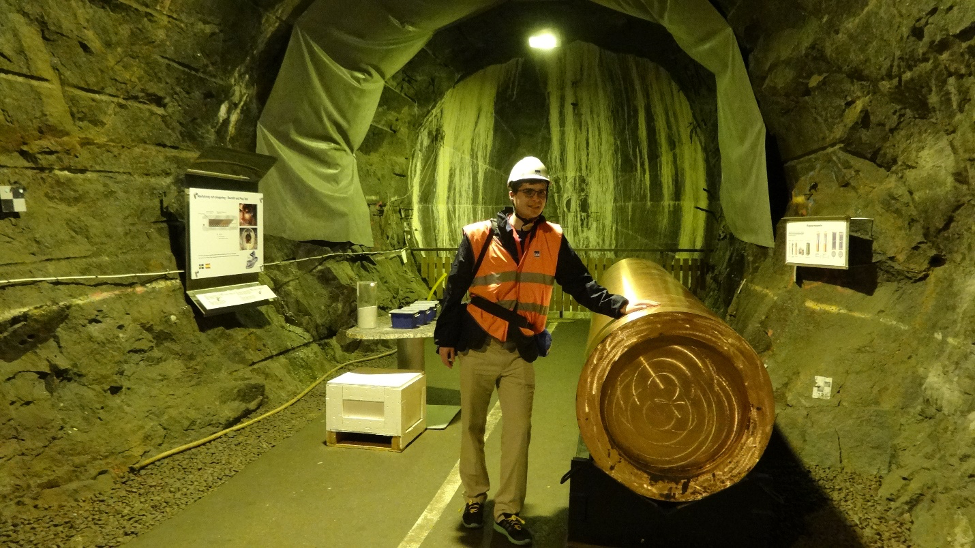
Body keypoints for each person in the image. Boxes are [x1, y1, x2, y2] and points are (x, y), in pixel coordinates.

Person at [433, 156, 658, 546]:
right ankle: (474, 498)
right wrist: (446, 339)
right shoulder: (478, 235)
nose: (537, 200)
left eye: (542, 193)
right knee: (471, 427)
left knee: (518, 432)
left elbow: (580, 283)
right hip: (478, 346)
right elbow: (455, 290)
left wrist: (620, 306)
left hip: (520, 350)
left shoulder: (552, 238)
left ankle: (507, 510)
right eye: (529, 192)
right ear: (512, 194)